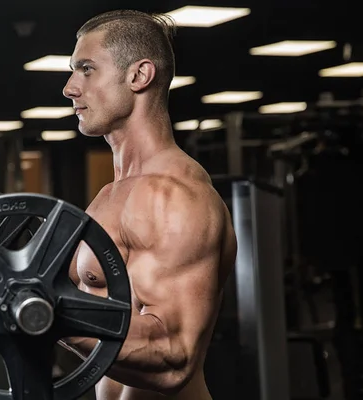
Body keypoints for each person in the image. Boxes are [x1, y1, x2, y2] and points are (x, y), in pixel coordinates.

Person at [59, 9, 238, 400]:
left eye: (87, 69)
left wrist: (45, 313)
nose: (70, 88)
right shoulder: (109, 195)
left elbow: (174, 357)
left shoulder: (173, 197)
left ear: (139, 76)